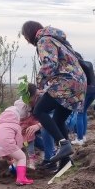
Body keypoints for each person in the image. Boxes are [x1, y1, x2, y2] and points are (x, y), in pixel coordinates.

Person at [21, 21, 86, 164]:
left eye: (26, 38)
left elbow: (50, 64)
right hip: (79, 83)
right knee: (58, 119)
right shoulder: (57, 39)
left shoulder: (44, 40)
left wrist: (39, 83)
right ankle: (65, 161)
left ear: (29, 34)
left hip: (67, 82)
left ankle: (63, 144)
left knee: (39, 111)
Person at [0, 100, 34, 185]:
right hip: (7, 145)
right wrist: (15, 156)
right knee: (22, 157)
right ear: (16, 117)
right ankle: (21, 178)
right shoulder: (15, 126)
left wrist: (7, 155)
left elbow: (0, 144)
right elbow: (18, 142)